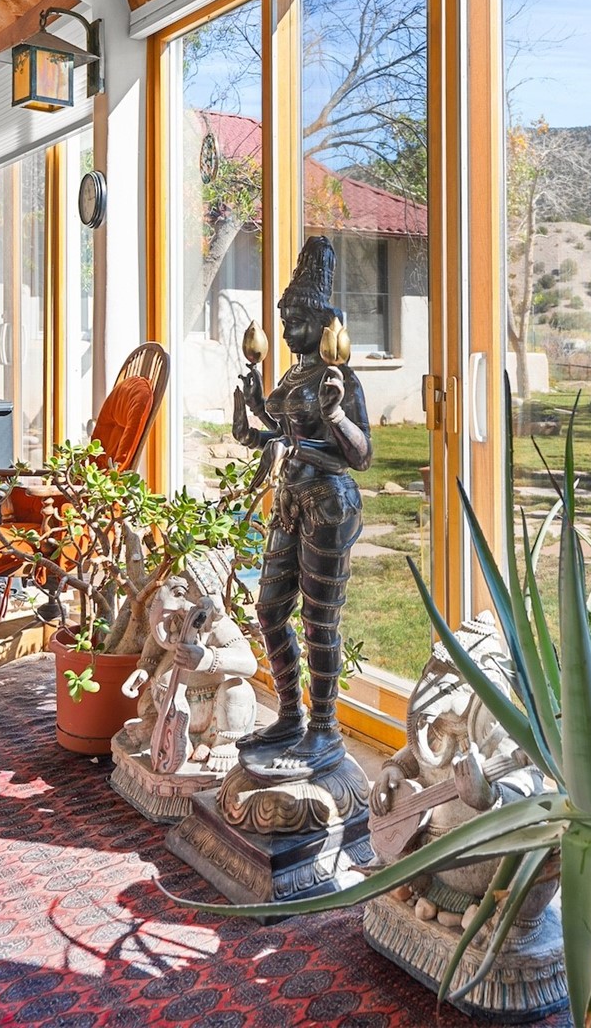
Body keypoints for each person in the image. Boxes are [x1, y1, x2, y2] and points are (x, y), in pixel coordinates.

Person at [229, 236, 372, 777]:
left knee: (319, 620)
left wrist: (334, 417)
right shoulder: (292, 375)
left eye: (297, 322)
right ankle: (290, 714)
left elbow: (359, 456)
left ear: (322, 322)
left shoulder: (339, 380)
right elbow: (278, 435)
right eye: (284, 321)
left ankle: (325, 727)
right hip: (290, 500)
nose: (287, 331)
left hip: (330, 505)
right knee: (269, 610)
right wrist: (250, 415)